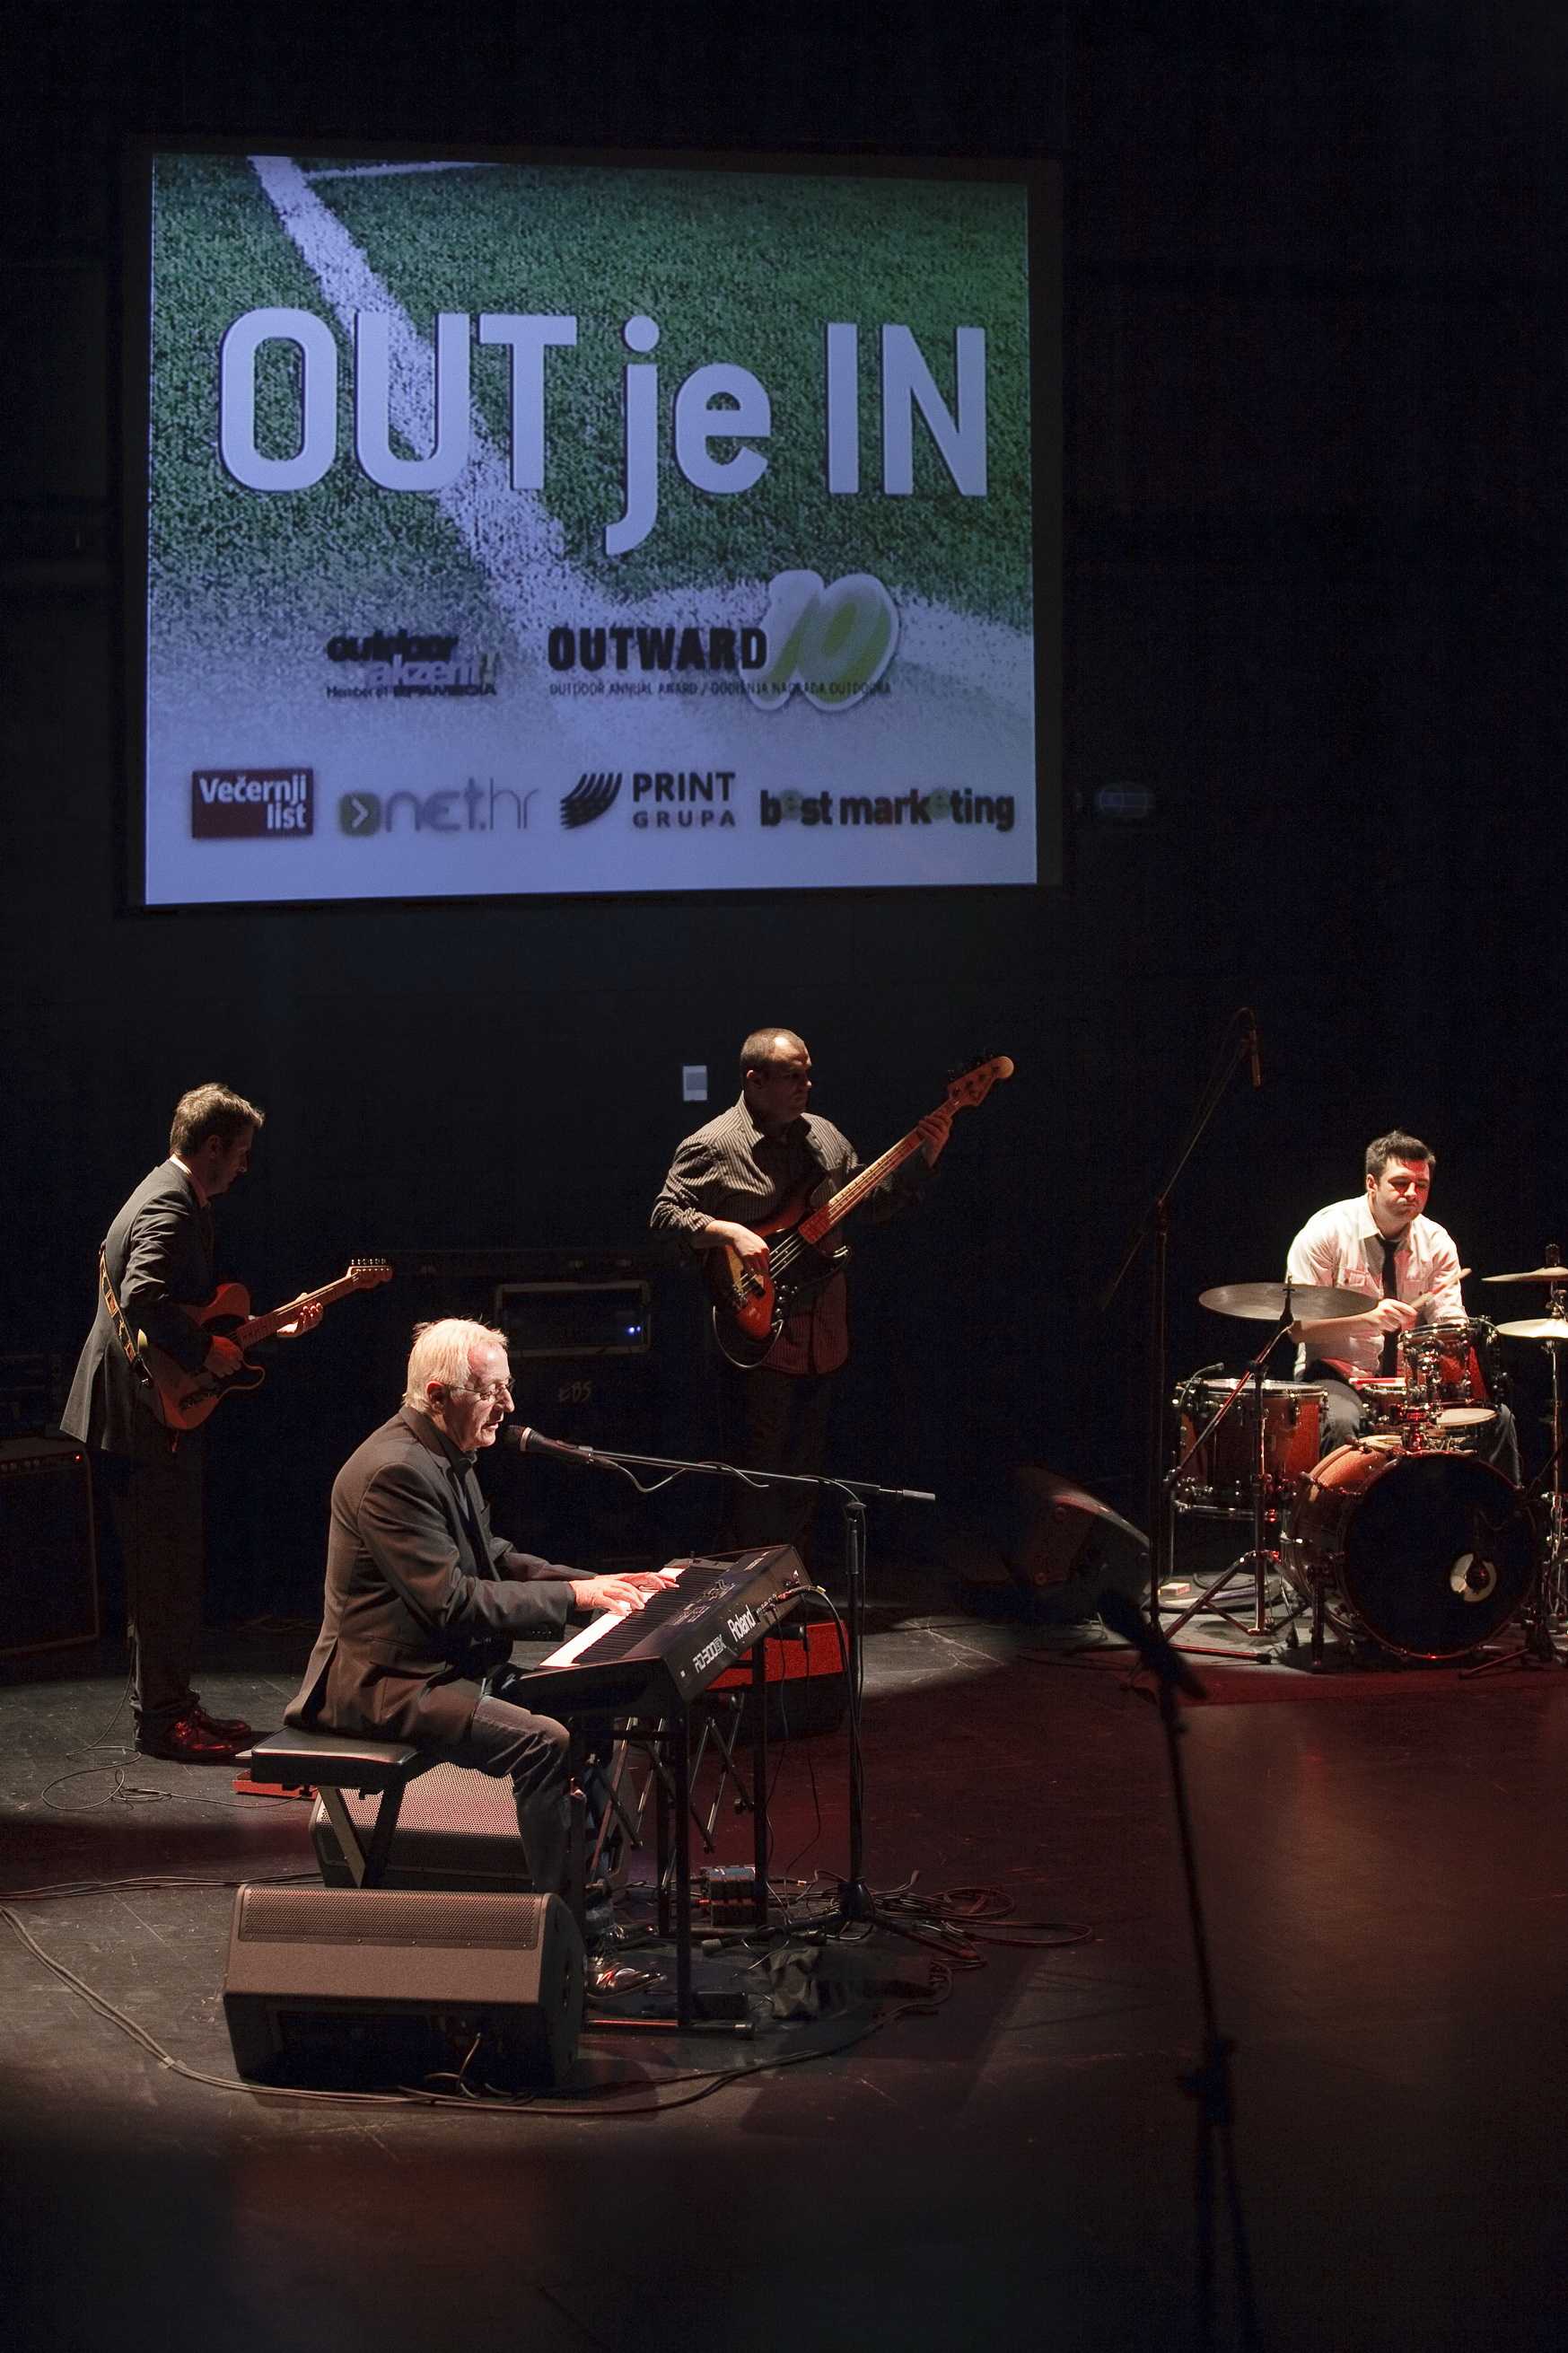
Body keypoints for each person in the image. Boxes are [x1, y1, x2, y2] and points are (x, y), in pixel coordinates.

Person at [285, 1319, 675, 1906]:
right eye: (492, 1391)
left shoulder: (442, 1451)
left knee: (593, 1700)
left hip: (434, 1669)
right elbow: (454, 1601)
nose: (509, 1405)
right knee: (542, 1743)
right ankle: (557, 1920)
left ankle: (590, 1883)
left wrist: (595, 1584)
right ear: (438, 1395)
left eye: (506, 1387)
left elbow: (492, 1558)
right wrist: (576, 1598)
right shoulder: (395, 1472)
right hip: (385, 1684)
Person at [61, 1084, 320, 1763]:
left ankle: (172, 1706)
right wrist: (206, 1350)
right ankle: (163, 1722)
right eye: (240, 1153)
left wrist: (263, 1330)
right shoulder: (170, 1204)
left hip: (144, 1410)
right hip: (139, 1416)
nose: (244, 1167)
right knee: (163, 1574)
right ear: (211, 1146)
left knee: (168, 1570)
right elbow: (144, 1295)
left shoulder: (169, 1193)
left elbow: (180, 1306)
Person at [650, 1028, 950, 1552]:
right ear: (754, 1080)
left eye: (807, 1074)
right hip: (753, 1329)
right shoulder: (715, 1144)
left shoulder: (825, 1136)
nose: (805, 1086)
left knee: (806, 1473)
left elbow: (871, 1205)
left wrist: (923, 1159)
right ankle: (744, 1585)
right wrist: (728, 1231)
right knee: (755, 1474)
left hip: (821, 1328)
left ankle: (793, 1580)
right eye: (792, 1076)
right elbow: (664, 1217)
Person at [1286, 1128, 1518, 1476]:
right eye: (1400, 1183)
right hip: (1337, 1376)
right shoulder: (1325, 1233)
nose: (1412, 1193)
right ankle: (1342, 1511)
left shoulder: (1436, 1242)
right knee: (1342, 1422)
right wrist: (1368, 1319)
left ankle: (1498, 1510)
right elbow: (1297, 1329)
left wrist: (1454, 1338)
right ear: (1371, 1183)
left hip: (1410, 1384)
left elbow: (1450, 1325)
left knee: (1498, 1420)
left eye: (1421, 1185)